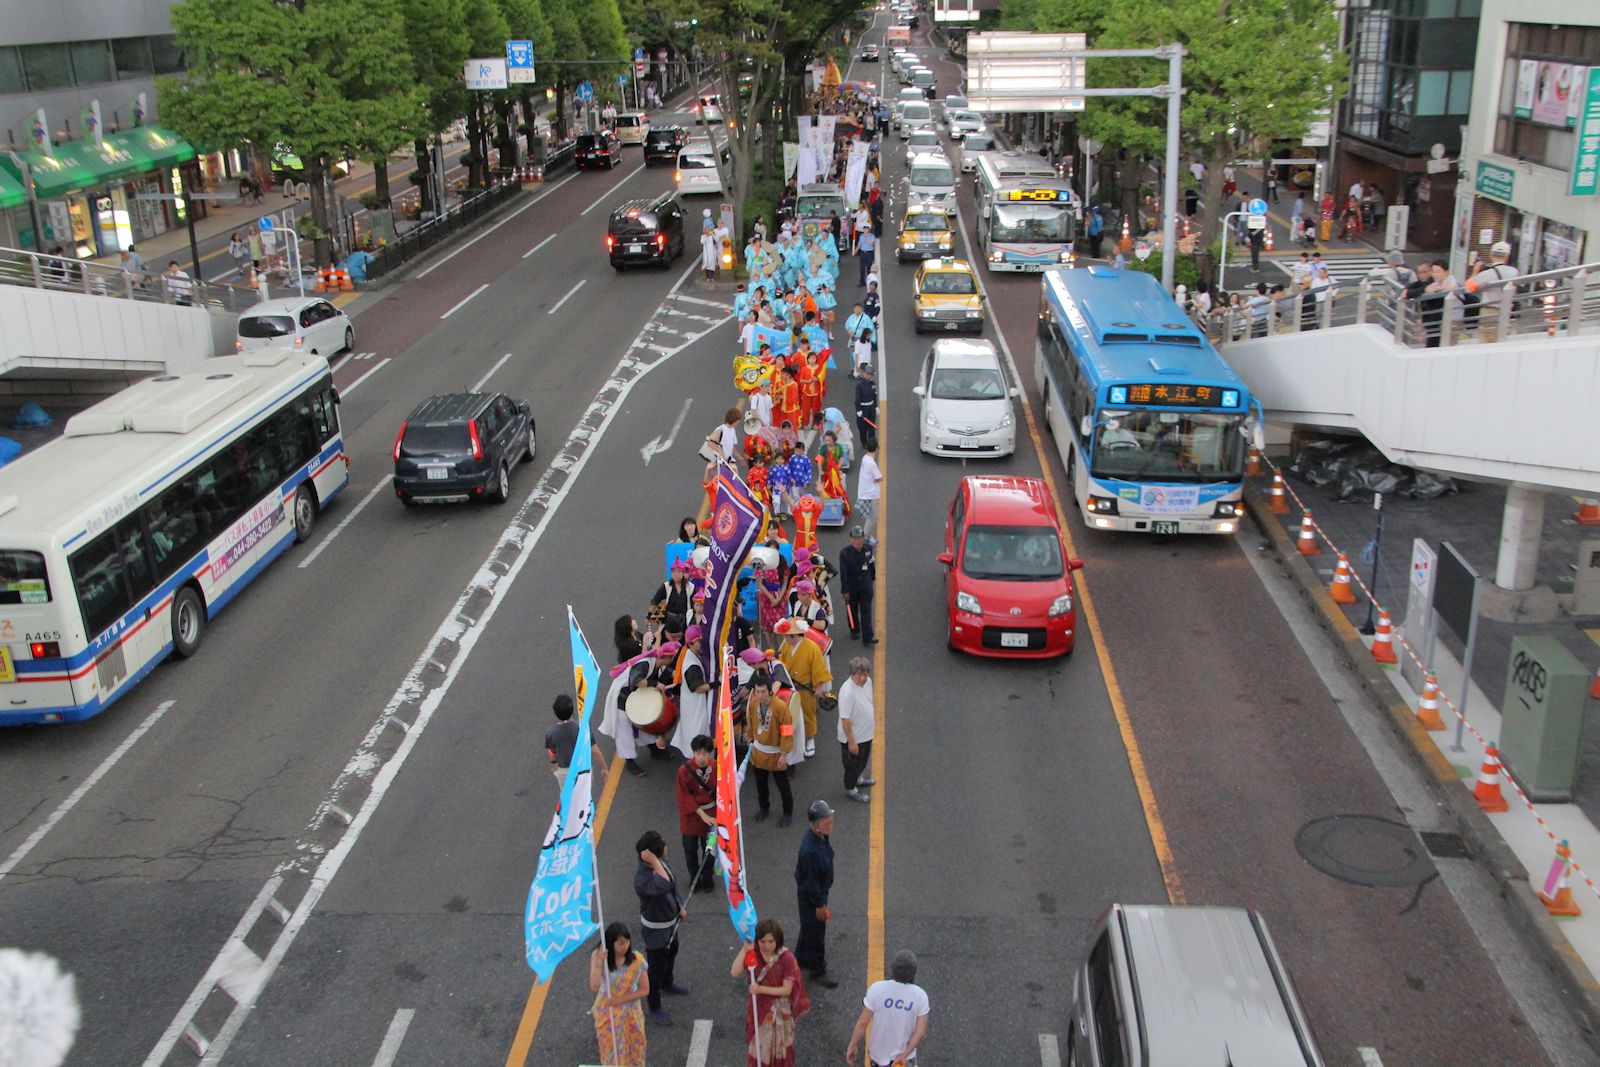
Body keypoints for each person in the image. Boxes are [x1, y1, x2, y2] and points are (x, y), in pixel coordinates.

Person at [732, 918, 809, 1067]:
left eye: (771, 941)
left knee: (780, 1050)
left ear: (777, 940)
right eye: (762, 941)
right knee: (759, 1050)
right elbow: (734, 971)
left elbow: (786, 989)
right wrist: (744, 949)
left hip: (780, 1012)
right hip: (760, 1009)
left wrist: (760, 989)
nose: (767, 946)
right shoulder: (753, 953)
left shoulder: (786, 958)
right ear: (757, 940)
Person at [634, 831, 689, 1026]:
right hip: (656, 931)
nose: (667, 846)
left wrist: (679, 906)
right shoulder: (642, 879)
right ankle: (654, 1005)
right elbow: (664, 884)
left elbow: (673, 886)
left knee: (672, 952)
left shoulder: (661, 866)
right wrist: (656, 861)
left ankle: (668, 982)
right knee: (656, 968)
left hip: (670, 923)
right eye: (663, 845)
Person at [846, 950, 930, 1067]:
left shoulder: (877, 989)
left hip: (878, 1057)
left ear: (892, 969)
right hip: (902, 1062)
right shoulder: (920, 996)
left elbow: (863, 1022)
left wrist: (852, 1045)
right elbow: (920, 1033)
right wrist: (904, 1055)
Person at [590, 922, 649, 1066]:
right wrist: (599, 963)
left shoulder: (637, 960)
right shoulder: (599, 956)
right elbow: (594, 986)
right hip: (608, 1013)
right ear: (611, 943)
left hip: (631, 1012)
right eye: (621, 943)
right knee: (611, 1052)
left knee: (635, 1049)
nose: (626, 946)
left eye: (627, 941)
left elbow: (644, 989)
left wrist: (620, 1000)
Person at [795, 799, 837, 987]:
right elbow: (810, 882)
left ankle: (800, 959)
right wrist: (820, 904)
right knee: (817, 932)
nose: (830, 826)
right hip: (813, 897)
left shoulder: (818, 835)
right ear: (816, 824)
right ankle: (818, 970)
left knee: (808, 928)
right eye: (827, 823)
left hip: (816, 892)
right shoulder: (810, 851)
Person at [745, 671, 796, 825]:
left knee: (782, 784)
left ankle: (787, 812)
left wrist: (784, 754)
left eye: (763, 692)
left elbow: (787, 730)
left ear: (770, 692)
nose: (760, 695)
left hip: (775, 753)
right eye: (757, 692)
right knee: (760, 784)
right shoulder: (753, 704)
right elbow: (751, 721)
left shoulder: (780, 707)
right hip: (758, 751)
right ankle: (764, 808)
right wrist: (750, 736)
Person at [777, 618, 831, 758]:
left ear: (794, 635)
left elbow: (819, 669)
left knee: (808, 715)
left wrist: (818, 686)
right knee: (789, 715)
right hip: (790, 688)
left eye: (786, 636)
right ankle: (791, 740)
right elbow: (781, 662)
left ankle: (810, 739)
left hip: (805, 689)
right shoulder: (786, 646)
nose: (784, 639)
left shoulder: (812, 648)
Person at [676, 734, 717, 893]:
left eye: (705, 753)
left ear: (709, 754)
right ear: (693, 753)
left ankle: (707, 876)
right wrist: (702, 814)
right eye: (698, 753)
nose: (701, 757)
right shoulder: (684, 771)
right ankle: (695, 877)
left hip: (712, 815)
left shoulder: (716, 766)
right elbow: (683, 796)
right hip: (692, 817)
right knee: (690, 850)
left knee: (710, 850)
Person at [836, 656, 875, 801]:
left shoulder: (868, 682)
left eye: (865, 674)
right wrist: (851, 741)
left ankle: (858, 779)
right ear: (852, 674)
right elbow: (845, 719)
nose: (863, 678)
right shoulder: (847, 692)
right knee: (852, 765)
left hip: (866, 733)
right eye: (859, 675)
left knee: (862, 760)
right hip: (854, 737)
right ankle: (851, 789)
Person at [547, 694, 607, 786]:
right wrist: (604, 768)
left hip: (565, 772)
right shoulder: (582, 728)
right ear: (572, 711)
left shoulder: (551, 733)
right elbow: (594, 750)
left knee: (568, 795)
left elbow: (552, 752)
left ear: (556, 713)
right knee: (584, 794)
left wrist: (554, 763)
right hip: (583, 770)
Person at [1465, 240, 1520, 340]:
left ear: (1491, 255)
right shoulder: (1514, 272)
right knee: (1503, 341)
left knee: (1487, 341)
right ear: (1507, 256)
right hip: (1507, 312)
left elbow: (1469, 288)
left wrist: (1475, 271)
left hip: (1489, 311)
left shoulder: (1487, 274)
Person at [838, 526, 876, 643]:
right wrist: (845, 590)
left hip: (865, 586)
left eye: (859, 538)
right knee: (852, 611)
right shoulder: (845, 553)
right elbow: (843, 572)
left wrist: (872, 578)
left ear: (863, 538)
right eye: (855, 538)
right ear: (850, 539)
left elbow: (871, 564)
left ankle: (868, 636)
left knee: (866, 611)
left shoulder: (868, 549)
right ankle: (854, 630)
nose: (857, 541)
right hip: (852, 587)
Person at [855, 440, 882, 536]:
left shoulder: (865, 458)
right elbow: (879, 477)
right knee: (873, 517)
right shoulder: (872, 464)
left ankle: (867, 536)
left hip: (864, 492)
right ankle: (866, 536)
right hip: (870, 494)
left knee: (869, 516)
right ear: (876, 448)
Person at [701, 211, 719, 281]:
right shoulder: (703, 236)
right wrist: (706, 236)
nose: (707, 231)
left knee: (712, 264)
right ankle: (707, 277)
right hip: (706, 252)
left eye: (708, 230)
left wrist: (713, 234)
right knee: (707, 264)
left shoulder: (711, 236)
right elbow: (702, 242)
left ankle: (712, 277)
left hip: (712, 251)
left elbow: (717, 239)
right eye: (706, 230)